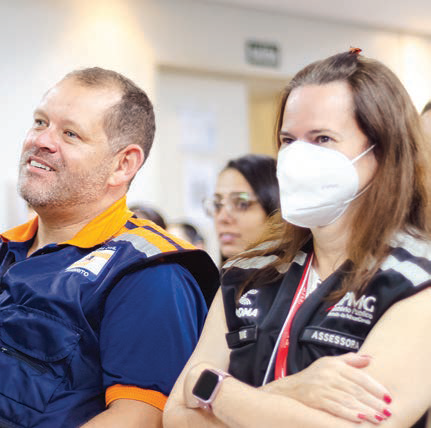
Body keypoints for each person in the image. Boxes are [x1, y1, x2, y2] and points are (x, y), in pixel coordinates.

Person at [164, 50, 431, 428]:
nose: (298, 157)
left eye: (322, 138)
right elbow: (176, 417)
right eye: (288, 140)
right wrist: (295, 391)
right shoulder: (249, 271)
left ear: (383, 152)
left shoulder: (415, 281)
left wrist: (213, 390)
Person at [0, 67, 218, 428]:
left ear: (123, 165)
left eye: (70, 133)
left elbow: (139, 418)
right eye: (40, 122)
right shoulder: (9, 246)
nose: (42, 140)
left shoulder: (149, 273)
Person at [203, 154, 280, 261]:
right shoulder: (221, 276)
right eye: (217, 205)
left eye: (242, 204)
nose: (222, 218)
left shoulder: (303, 276)